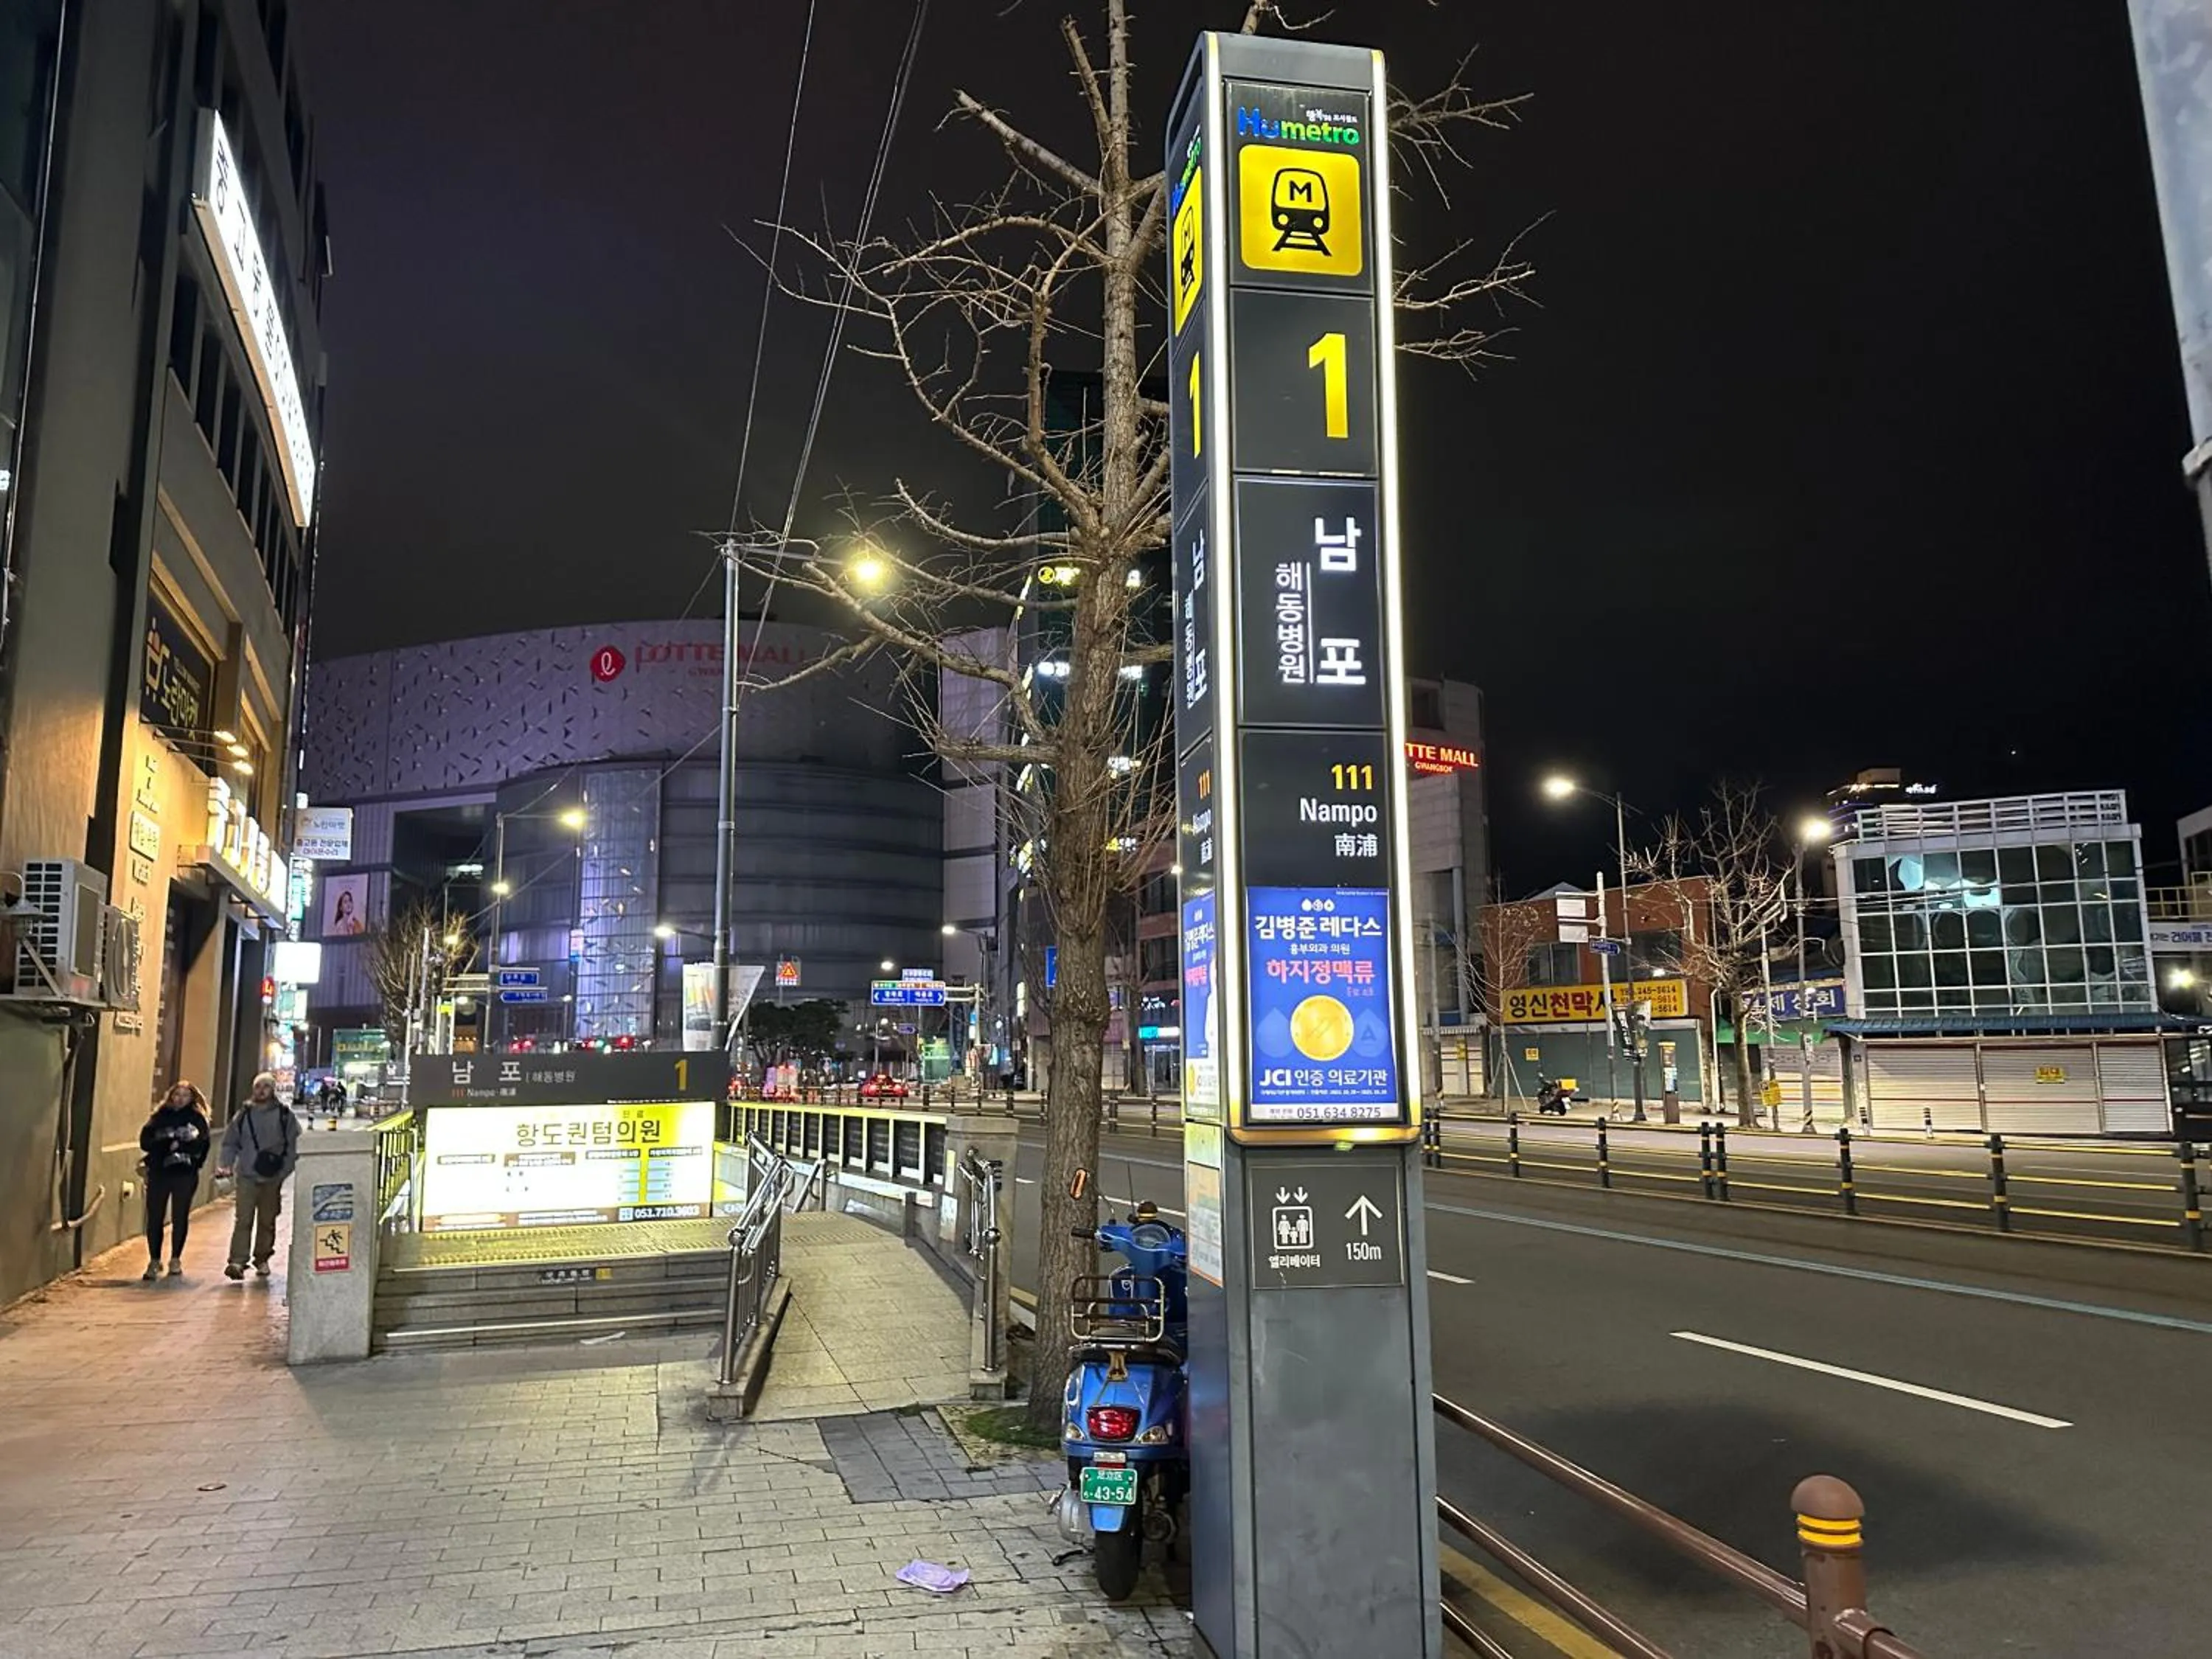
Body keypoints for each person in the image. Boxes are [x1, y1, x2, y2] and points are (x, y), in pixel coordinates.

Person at [216, 1071, 298, 1281]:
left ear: (273, 1090)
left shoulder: (284, 1115)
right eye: (258, 1087)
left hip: (272, 1176)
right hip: (247, 1174)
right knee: (243, 1218)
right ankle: (237, 1260)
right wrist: (226, 1163)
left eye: (266, 1087)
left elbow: (294, 1144)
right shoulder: (243, 1115)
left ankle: (262, 1257)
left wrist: (283, 1171)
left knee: (267, 1220)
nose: (261, 1091)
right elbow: (230, 1141)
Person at [138, 1081, 211, 1281]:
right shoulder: (159, 1117)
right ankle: (154, 1260)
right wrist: (165, 1141)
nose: (180, 1099)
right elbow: (145, 1141)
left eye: (184, 1095)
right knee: (155, 1216)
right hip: (160, 1172)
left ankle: (176, 1258)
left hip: (184, 1173)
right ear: (170, 1097)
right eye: (176, 1095)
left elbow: (203, 1145)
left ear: (192, 1099)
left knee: (180, 1215)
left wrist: (191, 1158)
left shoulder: (197, 1119)